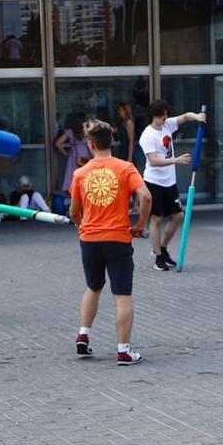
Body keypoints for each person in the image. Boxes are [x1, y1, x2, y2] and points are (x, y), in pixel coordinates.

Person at [69, 119, 151, 365]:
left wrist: (80, 226)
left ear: (90, 144)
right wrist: (140, 225)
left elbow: (75, 211)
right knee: (122, 294)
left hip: (90, 239)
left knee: (93, 287)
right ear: (110, 141)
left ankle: (84, 335)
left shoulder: (80, 173)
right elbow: (145, 197)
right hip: (118, 238)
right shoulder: (126, 168)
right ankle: (124, 350)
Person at [139, 101, 206, 270]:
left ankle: (162, 248)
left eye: (167, 115)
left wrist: (196, 117)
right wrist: (176, 160)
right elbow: (153, 161)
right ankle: (158, 259)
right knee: (157, 219)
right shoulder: (147, 135)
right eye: (162, 116)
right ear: (155, 116)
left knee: (178, 216)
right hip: (154, 181)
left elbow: (184, 117)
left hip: (170, 182)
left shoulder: (167, 125)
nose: (166, 118)